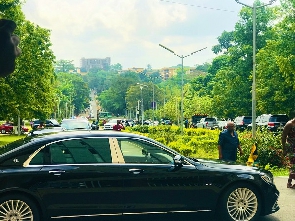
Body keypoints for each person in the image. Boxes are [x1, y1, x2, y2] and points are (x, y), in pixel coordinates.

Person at [282, 118, 295, 188]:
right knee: (293, 165)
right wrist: (284, 148)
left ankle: (289, 181)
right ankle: (289, 182)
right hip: (291, 147)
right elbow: (283, 136)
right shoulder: (289, 124)